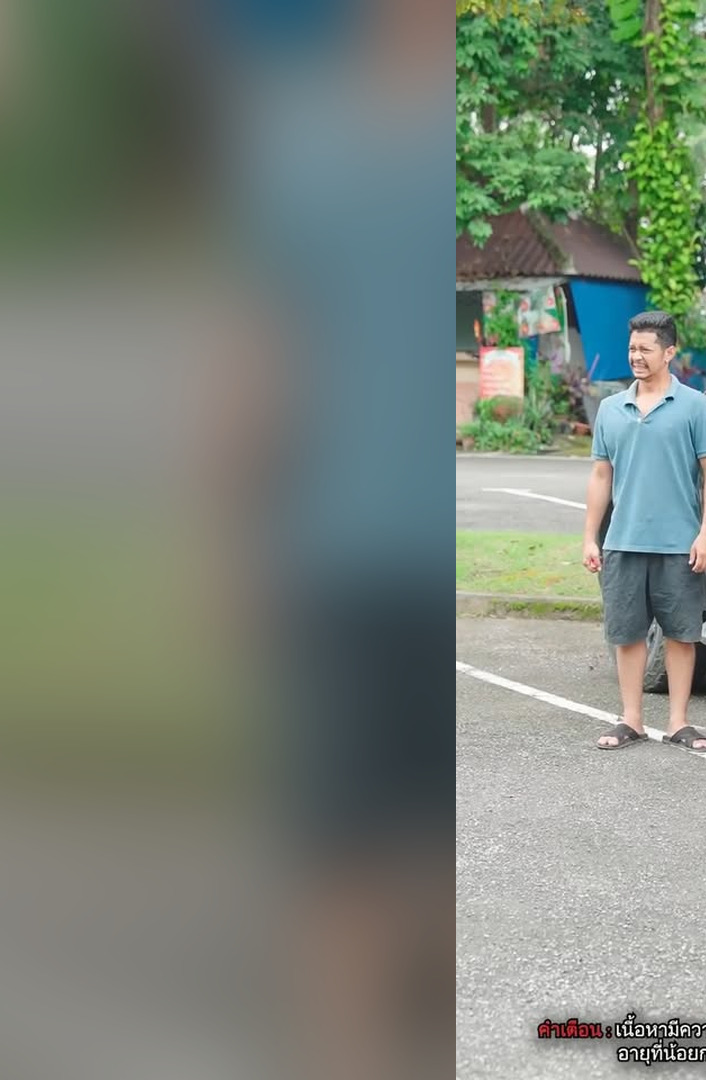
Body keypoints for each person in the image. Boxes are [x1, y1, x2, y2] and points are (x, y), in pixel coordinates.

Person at [212, 2, 453, 1076]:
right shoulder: (301, 146)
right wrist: (228, 541)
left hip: (434, 567)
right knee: (343, 850)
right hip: (343, 556)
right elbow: (260, 353)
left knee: (432, 843)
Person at [583, 311, 706, 752]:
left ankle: (679, 722)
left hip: (680, 543)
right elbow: (601, 475)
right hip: (622, 541)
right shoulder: (611, 408)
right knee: (626, 634)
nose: (636, 356)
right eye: (632, 349)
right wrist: (589, 536)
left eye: (645, 349)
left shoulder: (694, 405)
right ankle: (632, 719)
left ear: (669, 352)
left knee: (682, 634)